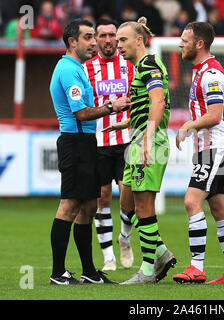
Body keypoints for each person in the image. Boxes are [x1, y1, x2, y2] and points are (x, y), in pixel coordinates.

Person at [49, 19, 130, 285]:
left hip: (85, 142)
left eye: (94, 36)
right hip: (74, 143)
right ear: (72, 41)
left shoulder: (77, 68)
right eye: (88, 37)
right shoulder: (69, 70)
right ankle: (58, 273)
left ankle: (89, 272)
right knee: (70, 205)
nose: (94, 42)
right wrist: (112, 107)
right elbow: (81, 113)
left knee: (89, 206)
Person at [173, 21, 224, 284]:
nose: (180, 44)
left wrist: (188, 125)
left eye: (184, 39)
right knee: (219, 208)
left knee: (192, 201)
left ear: (199, 44)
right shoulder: (200, 71)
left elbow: (214, 116)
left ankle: (196, 267)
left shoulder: (211, 75)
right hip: (208, 148)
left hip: (214, 149)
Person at [115, 16, 177, 284]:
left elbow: (158, 102)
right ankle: (161, 252)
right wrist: (127, 122)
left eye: (123, 40)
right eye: (117, 40)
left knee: (143, 208)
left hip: (147, 141)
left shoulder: (150, 63)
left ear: (139, 40)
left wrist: (148, 141)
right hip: (137, 138)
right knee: (126, 204)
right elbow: (146, 105)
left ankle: (148, 271)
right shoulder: (139, 66)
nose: (118, 45)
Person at [83, 18, 135, 272]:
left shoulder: (130, 66)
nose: (107, 40)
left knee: (130, 196)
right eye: (101, 35)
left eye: (111, 35)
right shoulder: (86, 69)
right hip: (99, 142)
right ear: (96, 39)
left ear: (117, 37)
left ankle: (124, 239)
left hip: (126, 140)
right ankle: (108, 257)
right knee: (102, 198)